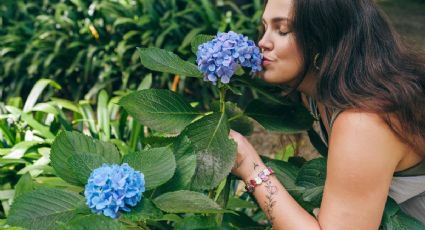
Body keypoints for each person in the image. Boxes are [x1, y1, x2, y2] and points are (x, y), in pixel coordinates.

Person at [229, 0, 425, 229]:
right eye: (265, 28)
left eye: (282, 30)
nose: (262, 42)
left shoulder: (362, 122)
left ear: (323, 37)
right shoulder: (323, 92)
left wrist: (249, 165)